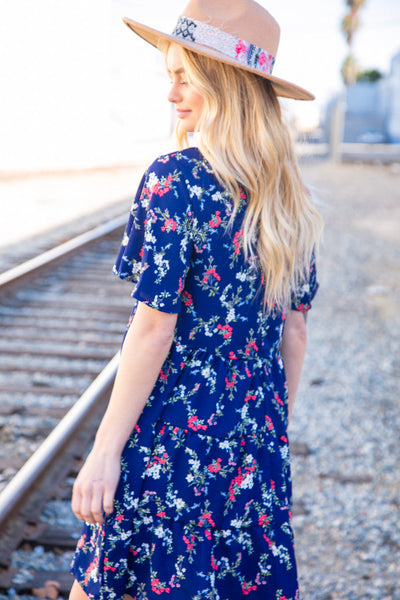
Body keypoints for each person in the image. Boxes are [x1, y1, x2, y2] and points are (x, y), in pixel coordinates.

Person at [69, 1, 323, 598]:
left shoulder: (174, 179)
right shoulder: (293, 198)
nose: (172, 94)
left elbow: (154, 330)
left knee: (104, 582)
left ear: (225, 84)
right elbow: (296, 331)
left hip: (174, 432)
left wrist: (105, 452)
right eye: (171, 76)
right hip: (255, 438)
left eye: (186, 76)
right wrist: (266, 430)